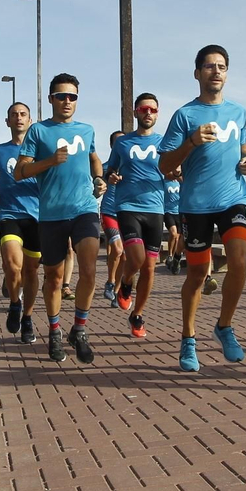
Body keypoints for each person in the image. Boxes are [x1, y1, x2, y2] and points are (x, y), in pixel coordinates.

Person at [159, 45, 246, 373]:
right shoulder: (184, 116)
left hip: (233, 198)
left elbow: (243, 147)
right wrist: (191, 143)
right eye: (210, 66)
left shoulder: (239, 112)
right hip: (195, 205)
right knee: (198, 273)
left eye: (222, 66)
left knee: (239, 261)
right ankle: (188, 337)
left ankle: (224, 326)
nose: (217, 71)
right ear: (197, 73)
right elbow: (164, 164)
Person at [14, 74, 106, 364]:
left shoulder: (87, 130)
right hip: (51, 214)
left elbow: (93, 158)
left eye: (73, 97)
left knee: (88, 271)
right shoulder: (38, 132)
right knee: (53, 278)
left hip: (85, 209)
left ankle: (79, 329)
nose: (67, 101)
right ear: (51, 99)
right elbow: (20, 172)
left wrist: (99, 178)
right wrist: (50, 161)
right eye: (62, 96)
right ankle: (55, 332)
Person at [105, 93, 166, 338]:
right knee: (137, 258)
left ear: (157, 113)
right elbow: (111, 168)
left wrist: (179, 173)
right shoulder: (123, 143)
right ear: (135, 113)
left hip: (155, 208)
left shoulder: (165, 143)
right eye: (143, 109)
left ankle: (137, 314)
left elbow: (174, 167)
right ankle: (126, 283)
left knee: (150, 267)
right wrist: (111, 176)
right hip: (128, 206)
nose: (148, 113)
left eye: (152, 109)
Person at [0, 102, 42, 344]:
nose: (18, 118)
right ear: (7, 121)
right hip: (9, 213)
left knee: (30, 271)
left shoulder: (41, 151)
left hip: (38, 216)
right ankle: (14, 304)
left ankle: (27, 317)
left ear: (30, 121)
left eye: (23, 114)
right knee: (11, 263)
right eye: (14, 115)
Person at [99, 130, 124, 303]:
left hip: (127, 213)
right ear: (111, 145)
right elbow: (95, 185)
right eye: (117, 142)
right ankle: (110, 282)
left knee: (125, 256)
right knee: (117, 249)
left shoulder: (133, 166)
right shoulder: (105, 167)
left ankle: (117, 290)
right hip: (109, 212)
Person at [162, 174, 183, 273]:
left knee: (177, 238)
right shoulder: (163, 182)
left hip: (178, 212)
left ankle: (173, 259)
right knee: (173, 233)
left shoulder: (180, 182)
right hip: (167, 212)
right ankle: (170, 254)